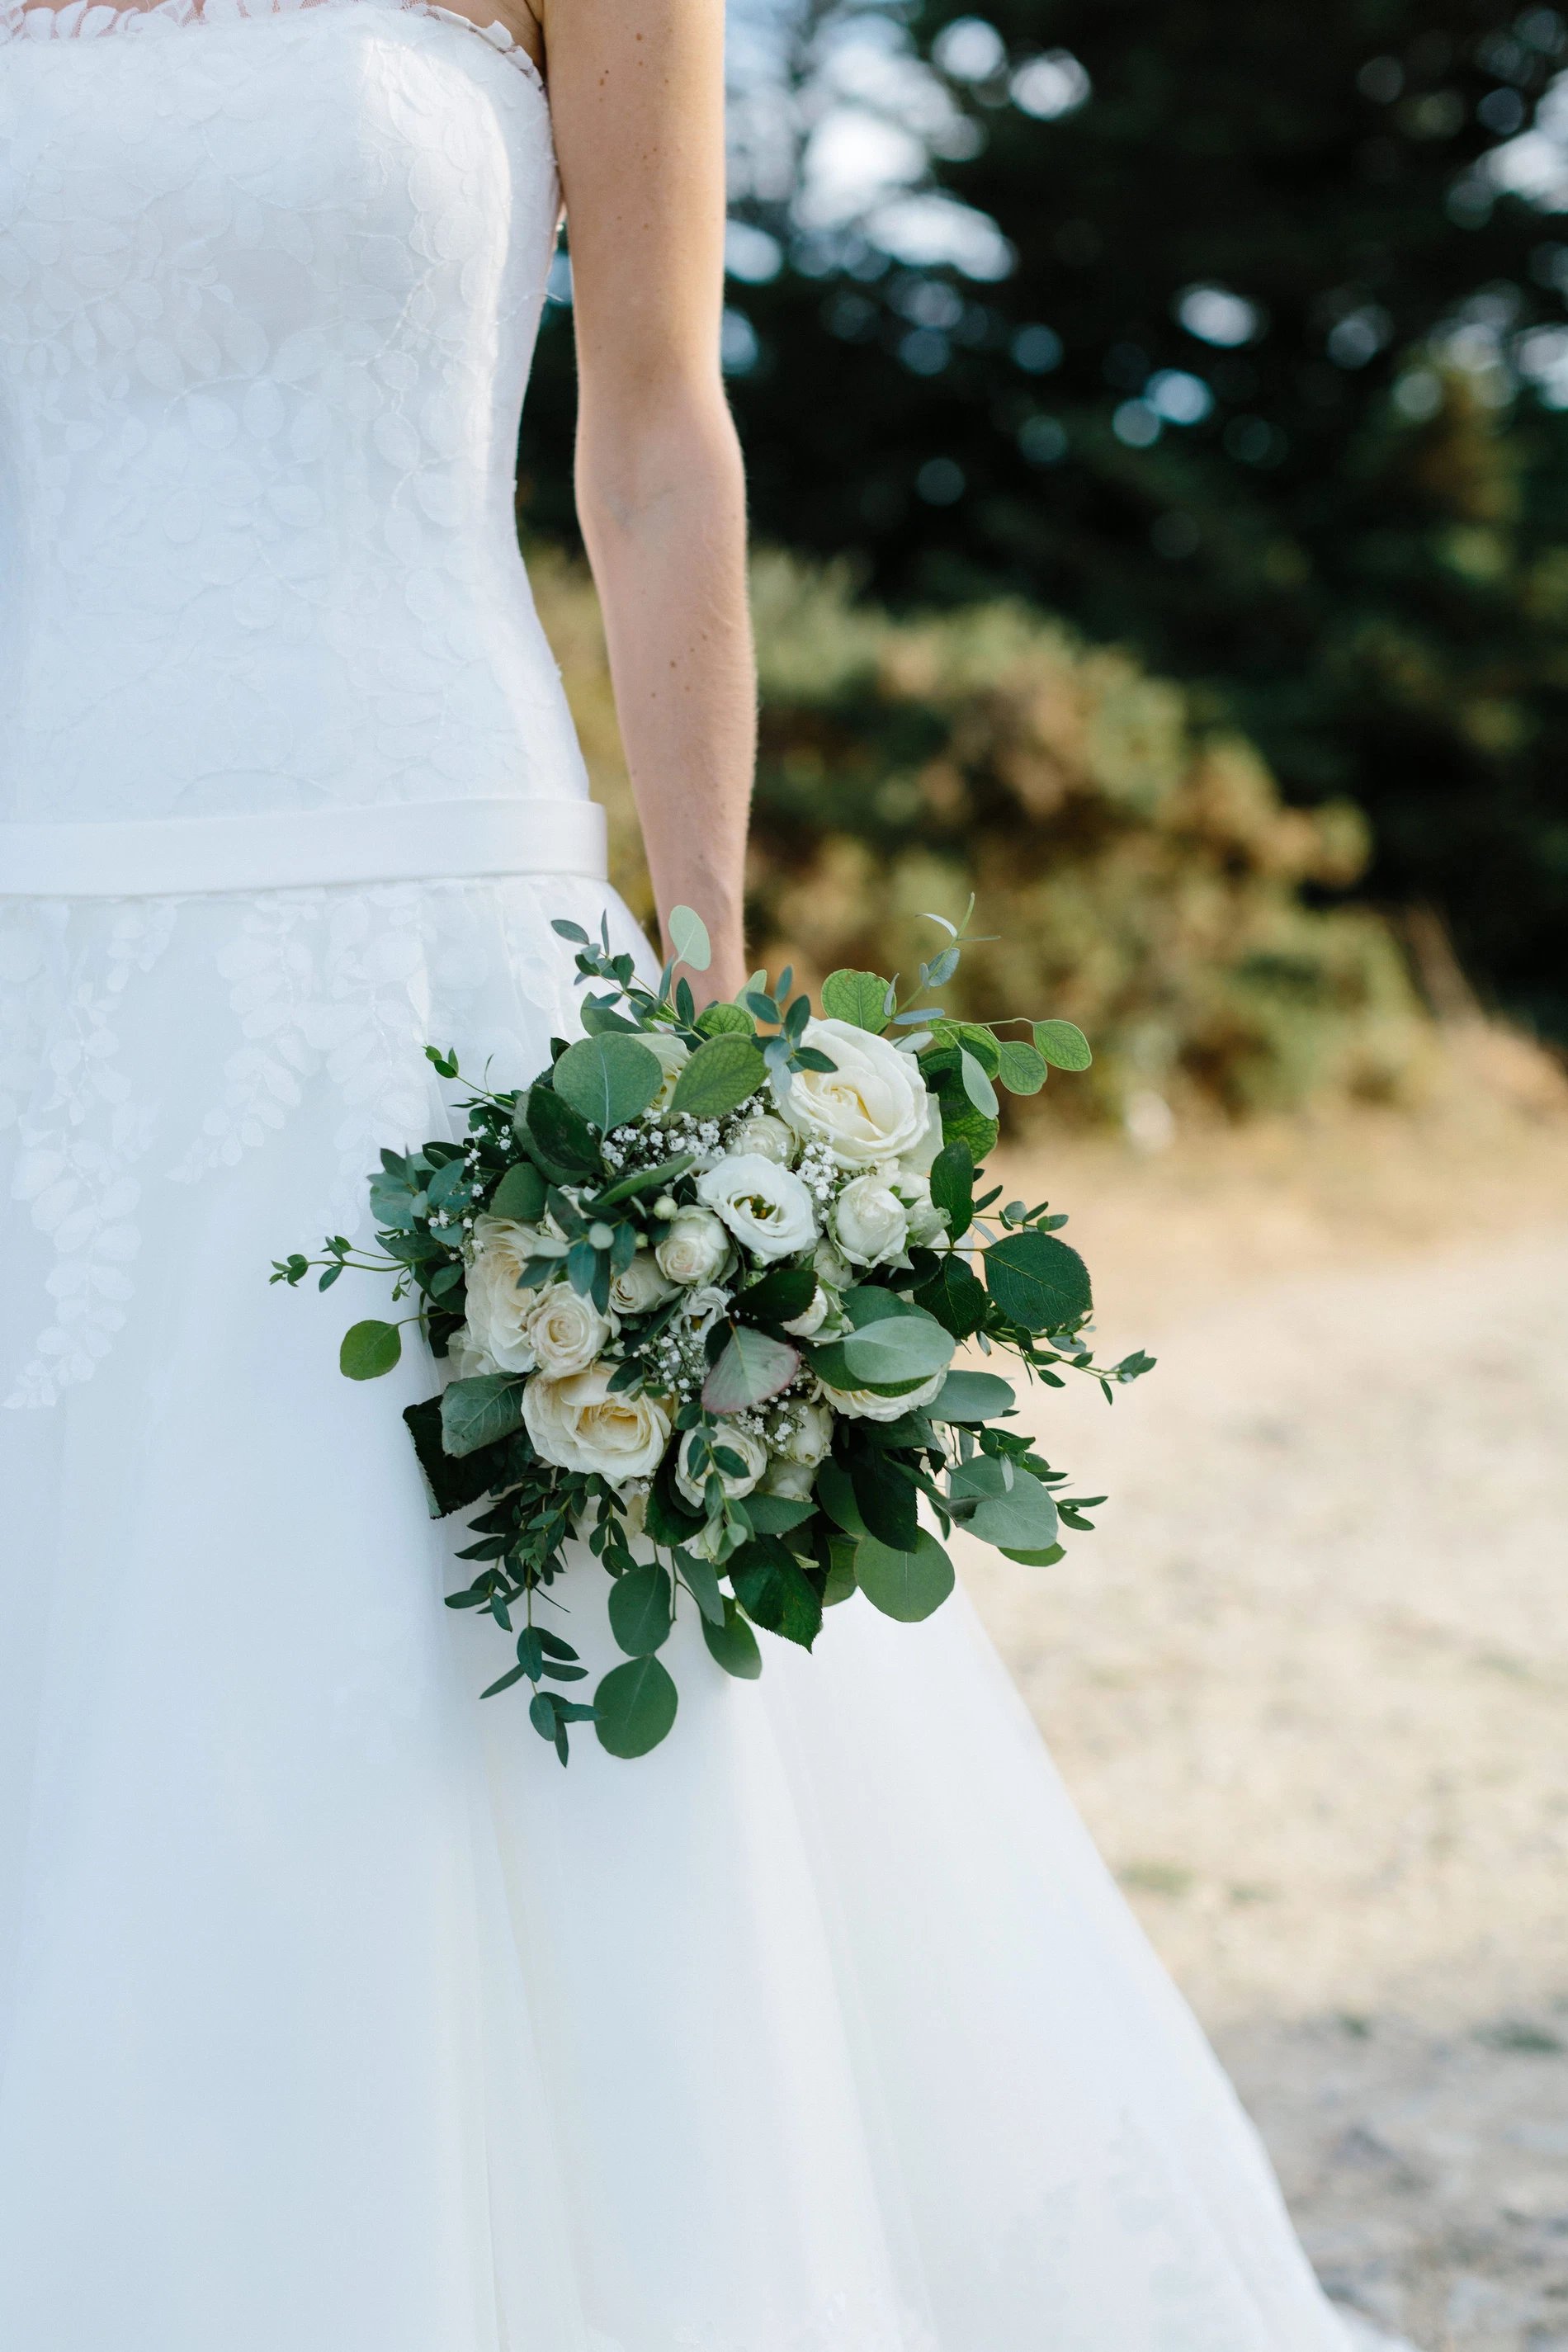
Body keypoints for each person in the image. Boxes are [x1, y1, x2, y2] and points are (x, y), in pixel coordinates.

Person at [0, 1, 1363, 2344]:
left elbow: (648, 432)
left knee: (465, 1687)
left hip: (418, 903)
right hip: (34, 912)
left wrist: (705, 991)